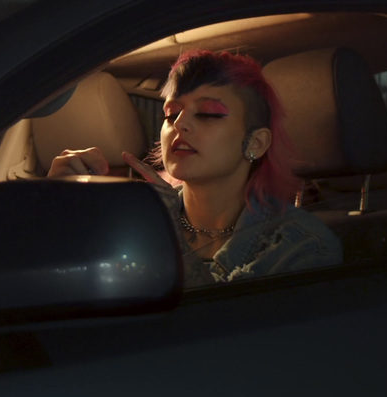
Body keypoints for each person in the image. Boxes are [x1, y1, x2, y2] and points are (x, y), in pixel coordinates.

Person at [49, 49, 342, 285]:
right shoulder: (131, 221)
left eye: (208, 114)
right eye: (171, 114)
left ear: (256, 143)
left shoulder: (302, 244)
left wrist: (165, 233)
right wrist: (57, 213)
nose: (179, 124)